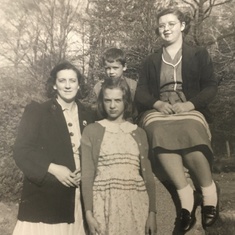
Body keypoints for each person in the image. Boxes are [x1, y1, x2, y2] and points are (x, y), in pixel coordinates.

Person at [135, 8, 219, 232]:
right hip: (160, 110)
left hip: (188, 107)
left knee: (190, 126)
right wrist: (158, 104)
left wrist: (190, 105)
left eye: (171, 24)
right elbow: (140, 93)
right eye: (162, 25)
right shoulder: (151, 60)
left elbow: (211, 86)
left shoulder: (198, 54)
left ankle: (209, 191)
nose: (166, 29)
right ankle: (187, 196)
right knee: (155, 129)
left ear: (182, 26)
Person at [12, 61, 95, 235]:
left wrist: (87, 169)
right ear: (54, 85)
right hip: (46, 200)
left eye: (72, 81)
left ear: (79, 84)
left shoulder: (90, 114)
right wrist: (53, 169)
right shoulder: (38, 111)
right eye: (62, 80)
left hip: (81, 199)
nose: (67, 85)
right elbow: (22, 150)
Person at [81, 78, 157, 235]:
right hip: (104, 203)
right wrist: (89, 214)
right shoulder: (92, 131)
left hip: (136, 202)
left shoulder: (139, 133)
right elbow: (87, 176)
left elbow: (148, 177)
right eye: (107, 100)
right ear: (102, 102)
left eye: (118, 100)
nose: (112, 105)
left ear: (126, 101)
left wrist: (152, 213)